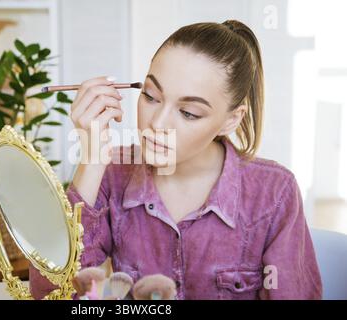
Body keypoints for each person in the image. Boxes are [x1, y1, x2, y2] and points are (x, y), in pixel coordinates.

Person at [30, 20, 322, 300]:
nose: (157, 123)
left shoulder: (274, 192)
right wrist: (92, 161)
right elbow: (53, 292)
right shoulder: (111, 172)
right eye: (151, 96)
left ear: (231, 120)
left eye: (189, 113)